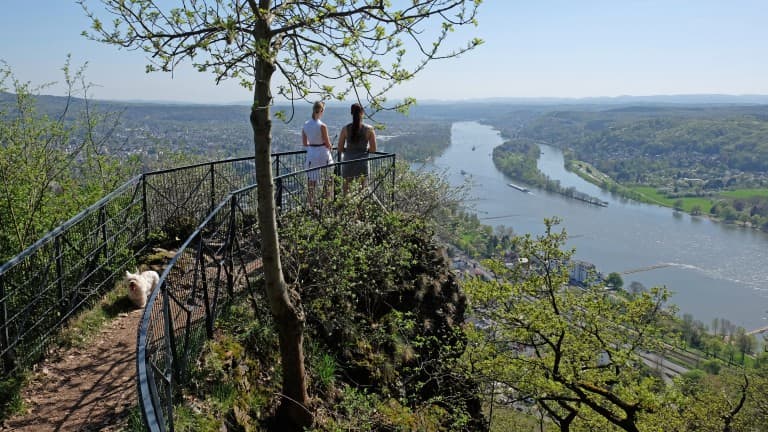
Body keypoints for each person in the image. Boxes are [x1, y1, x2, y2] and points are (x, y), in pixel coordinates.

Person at [337, 103, 377, 194]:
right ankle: (360, 208)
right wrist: (365, 150)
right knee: (362, 192)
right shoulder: (369, 129)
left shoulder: (345, 129)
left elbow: (340, 148)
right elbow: (373, 149)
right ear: (362, 113)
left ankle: (347, 208)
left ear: (351, 113)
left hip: (348, 162)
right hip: (362, 162)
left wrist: (348, 151)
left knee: (346, 191)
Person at [302, 101, 333, 206]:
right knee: (328, 178)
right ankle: (326, 202)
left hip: (311, 153)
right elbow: (328, 143)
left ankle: (311, 204)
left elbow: (305, 143)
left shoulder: (306, 125)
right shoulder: (322, 126)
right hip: (323, 152)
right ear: (322, 111)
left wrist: (312, 144)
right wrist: (330, 146)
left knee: (312, 180)